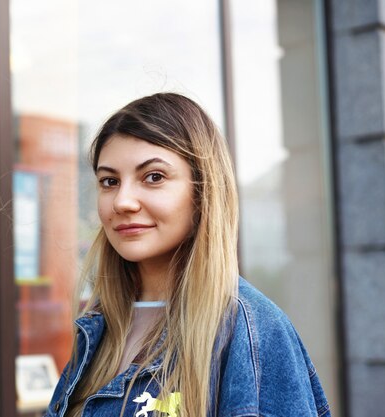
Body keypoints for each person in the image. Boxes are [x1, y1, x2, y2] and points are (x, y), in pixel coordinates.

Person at [45, 93, 330, 417]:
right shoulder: (98, 330)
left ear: (202, 192)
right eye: (109, 181)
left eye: (153, 177)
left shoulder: (251, 333)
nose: (122, 201)